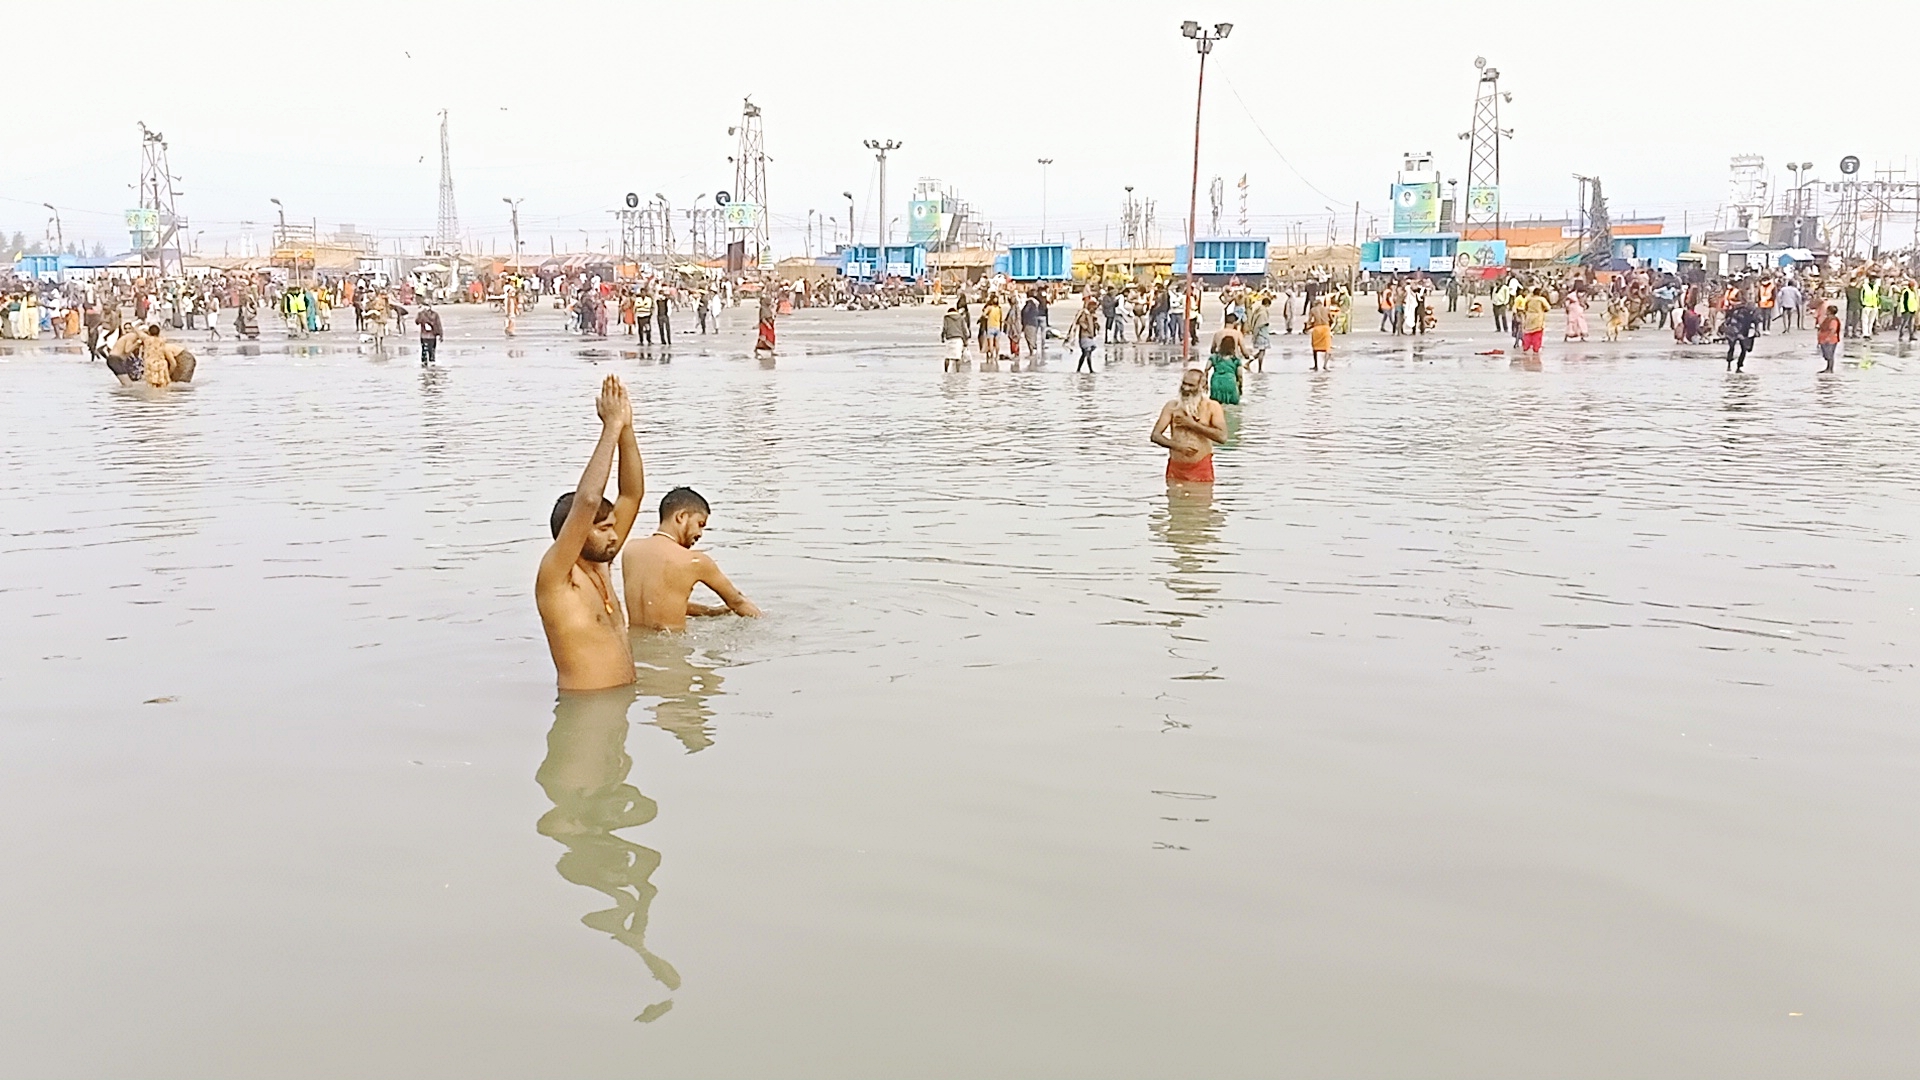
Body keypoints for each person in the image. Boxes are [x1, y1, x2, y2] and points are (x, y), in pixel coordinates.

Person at [536, 376, 647, 691]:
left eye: (612, 526)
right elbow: (587, 502)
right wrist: (610, 429)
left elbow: (631, 495)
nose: (614, 536)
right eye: (602, 529)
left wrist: (626, 428)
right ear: (575, 534)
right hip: (584, 717)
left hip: (617, 710)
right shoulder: (557, 578)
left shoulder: (601, 566)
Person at [621, 486, 761, 633]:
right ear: (681, 516)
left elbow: (660, 604)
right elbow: (737, 601)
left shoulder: (630, 550)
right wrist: (765, 622)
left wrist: (711, 612)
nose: (700, 534)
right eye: (700, 524)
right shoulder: (695, 561)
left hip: (633, 650)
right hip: (671, 650)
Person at [1151, 367, 1228, 485]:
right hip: (1175, 469)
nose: (1186, 388)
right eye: (1184, 384)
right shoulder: (1172, 406)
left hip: (1201, 468)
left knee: (1201, 501)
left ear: (1202, 386)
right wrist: (1178, 447)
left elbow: (1222, 437)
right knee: (1174, 501)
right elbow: (1155, 436)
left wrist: (1192, 424)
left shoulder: (1212, 407)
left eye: (1191, 385)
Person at [1724, 300, 1759, 372]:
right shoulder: (1738, 312)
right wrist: (1738, 334)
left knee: (1744, 349)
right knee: (1731, 347)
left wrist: (1756, 330)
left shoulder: (1751, 314)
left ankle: (1739, 366)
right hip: (1733, 332)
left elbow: (1756, 321)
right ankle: (1729, 364)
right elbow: (1732, 323)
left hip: (1744, 332)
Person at [1071, 297, 1101, 372]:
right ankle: (1090, 369)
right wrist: (1086, 327)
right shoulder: (1085, 313)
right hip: (1084, 336)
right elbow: (1080, 321)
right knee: (1087, 353)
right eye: (1094, 308)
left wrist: (1096, 325)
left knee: (1085, 354)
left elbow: (1094, 324)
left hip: (1090, 336)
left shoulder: (1091, 315)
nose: (1094, 310)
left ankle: (1079, 369)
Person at [1519, 286, 1550, 357]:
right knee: (1537, 334)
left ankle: (1526, 347)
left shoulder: (1528, 299)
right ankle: (1536, 348)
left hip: (1529, 316)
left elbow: (1524, 308)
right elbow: (1548, 308)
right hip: (1538, 317)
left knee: (1528, 333)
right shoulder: (1541, 299)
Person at [941, 299, 970, 371]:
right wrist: (966, 339)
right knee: (958, 357)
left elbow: (945, 328)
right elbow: (964, 329)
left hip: (949, 339)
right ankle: (957, 371)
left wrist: (942, 337)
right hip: (958, 339)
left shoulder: (946, 318)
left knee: (947, 356)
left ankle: (946, 371)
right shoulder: (960, 318)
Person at [1817, 302, 1842, 373]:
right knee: (1826, 354)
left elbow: (1833, 329)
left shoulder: (1833, 320)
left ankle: (1830, 369)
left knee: (1829, 354)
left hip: (1831, 340)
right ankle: (1828, 368)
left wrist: (1829, 337)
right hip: (1824, 339)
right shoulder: (1827, 319)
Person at [755, 289, 776, 355]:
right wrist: (767, 324)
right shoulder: (763, 308)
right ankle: (757, 349)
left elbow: (772, 315)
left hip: (770, 324)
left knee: (771, 337)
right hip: (765, 325)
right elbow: (763, 318)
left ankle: (771, 351)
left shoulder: (768, 308)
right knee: (763, 337)